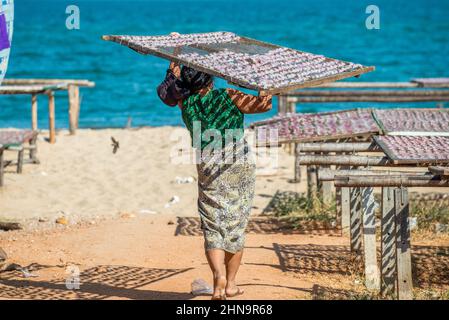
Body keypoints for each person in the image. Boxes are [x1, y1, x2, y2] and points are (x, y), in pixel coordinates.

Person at [157, 33, 272, 300]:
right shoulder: (229, 95)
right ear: (211, 77)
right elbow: (264, 104)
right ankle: (230, 283)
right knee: (235, 222)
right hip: (237, 164)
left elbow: (172, 80)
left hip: (207, 164)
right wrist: (265, 80)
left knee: (213, 223)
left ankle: (218, 276)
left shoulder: (186, 104)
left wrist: (177, 49)